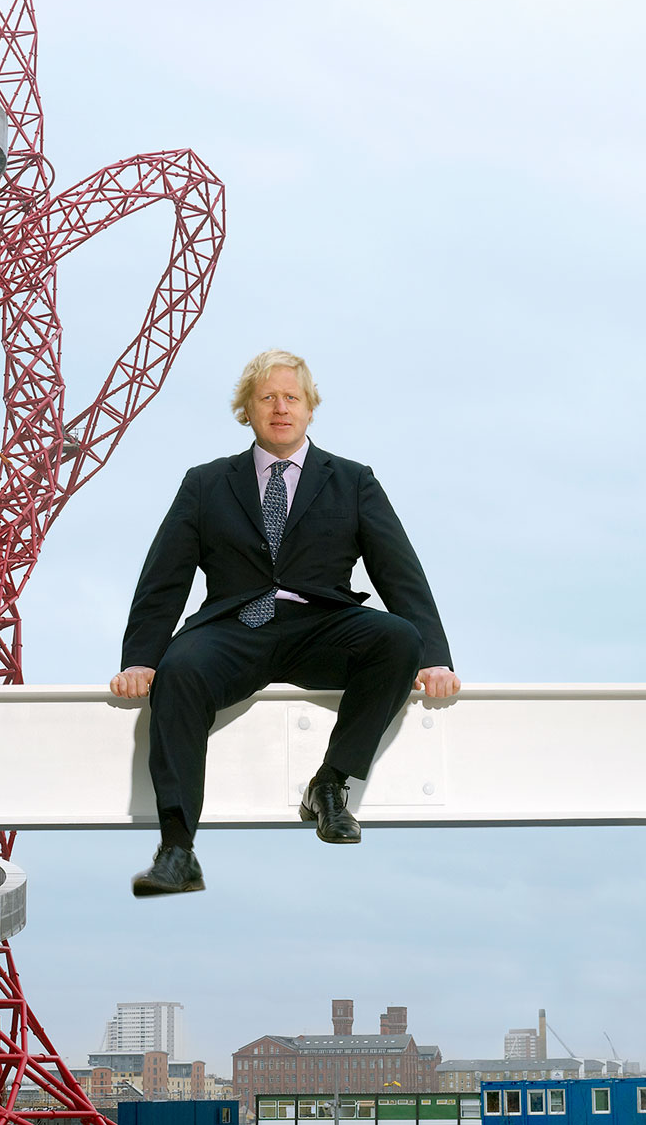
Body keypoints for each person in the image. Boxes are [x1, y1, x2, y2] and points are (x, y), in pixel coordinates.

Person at [111, 348, 460, 897]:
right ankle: (178, 849)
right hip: (234, 628)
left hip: (322, 625)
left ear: (309, 408)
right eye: (267, 397)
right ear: (246, 410)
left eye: (291, 397)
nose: (280, 408)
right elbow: (164, 578)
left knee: (399, 641)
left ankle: (330, 785)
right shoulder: (205, 484)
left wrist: (435, 658)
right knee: (179, 671)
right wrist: (141, 659)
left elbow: (399, 570)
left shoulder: (353, 480)